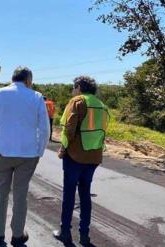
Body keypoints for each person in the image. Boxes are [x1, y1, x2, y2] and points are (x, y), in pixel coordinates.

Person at [0, 66, 50, 247]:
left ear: (12, 78)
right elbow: (44, 129)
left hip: (2, 153)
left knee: (1, 193)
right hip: (27, 155)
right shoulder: (36, 97)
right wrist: (40, 151)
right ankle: (18, 236)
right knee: (21, 195)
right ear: (28, 79)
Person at [53, 76, 109, 246]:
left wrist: (63, 148)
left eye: (73, 87)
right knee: (85, 194)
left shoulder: (77, 101)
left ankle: (65, 232)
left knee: (69, 194)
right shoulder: (101, 105)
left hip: (75, 155)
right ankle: (84, 235)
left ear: (79, 87)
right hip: (94, 156)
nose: (72, 90)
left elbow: (69, 128)